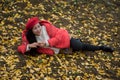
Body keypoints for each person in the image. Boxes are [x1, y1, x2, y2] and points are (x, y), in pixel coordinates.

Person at [17, 17, 114, 56]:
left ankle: (101, 47)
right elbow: (20, 48)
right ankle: (74, 45)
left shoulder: (47, 27)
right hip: (60, 50)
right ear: (31, 31)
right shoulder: (29, 38)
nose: (38, 29)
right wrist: (29, 46)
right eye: (35, 29)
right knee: (75, 50)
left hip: (65, 41)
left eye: (38, 26)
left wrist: (47, 43)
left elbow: (61, 35)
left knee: (79, 46)